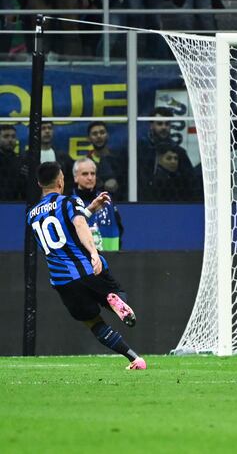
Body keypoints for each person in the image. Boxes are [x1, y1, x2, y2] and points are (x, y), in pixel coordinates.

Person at [27, 162, 145, 369]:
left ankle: (134, 358)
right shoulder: (69, 201)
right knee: (116, 291)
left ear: (39, 183)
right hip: (86, 268)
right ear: (61, 180)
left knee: (94, 323)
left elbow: (61, 229)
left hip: (62, 281)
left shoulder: (32, 215)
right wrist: (93, 253)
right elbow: (78, 225)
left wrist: (89, 209)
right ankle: (113, 300)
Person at [138, 107, 195, 201]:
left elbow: (191, 181)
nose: (164, 127)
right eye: (159, 124)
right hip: (143, 203)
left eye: (167, 124)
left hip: (173, 203)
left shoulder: (179, 151)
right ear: (151, 125)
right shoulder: (141, 150)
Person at [73, 157, 123, 251]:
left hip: (109, 258)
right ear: (76, 177)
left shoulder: (106, 199)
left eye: (93, 173)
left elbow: (119, 227)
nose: (90, 177)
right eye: (85, 174)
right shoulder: (69, 202)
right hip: (82, 260)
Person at [21, 121, 74, 193]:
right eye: (43, 128)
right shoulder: (26, 158)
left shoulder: (63, 157)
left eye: (49, 128)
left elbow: (69, 181)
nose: (47, 131)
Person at [86, 121, 127, 201]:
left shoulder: (119, 161)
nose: (99, 136)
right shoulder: (85, 163)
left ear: (107, 135)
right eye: (94, 134)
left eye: (102, 132)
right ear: (89, 138)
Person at [0, 124, 23, 200]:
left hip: (14, 204)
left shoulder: (21, 161)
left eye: (13, 137)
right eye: (6, 136)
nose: (10, 139)